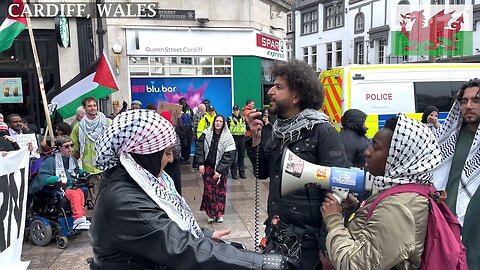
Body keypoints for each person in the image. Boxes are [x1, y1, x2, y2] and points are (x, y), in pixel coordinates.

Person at [90, 109, 295, 270]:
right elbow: (183, 248)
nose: (171, 159)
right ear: (144, 154)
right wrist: (264, 264)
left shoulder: (137, 181)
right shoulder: (124, 200)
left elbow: (164, 225)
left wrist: (202, 233)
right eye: (167, 152)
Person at [247, 59, 349, 269]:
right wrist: (256, 137)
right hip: (277, 234)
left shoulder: (322, 131)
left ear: (296, 96)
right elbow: (262, 172)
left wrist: (327, 246)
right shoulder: (277, 130)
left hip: (308, 245)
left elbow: (340, 188)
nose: (270, 92)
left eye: (278, 87)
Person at [321, 114, 441, 270]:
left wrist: (334, 220)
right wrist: (355, 208)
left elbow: (355, 265)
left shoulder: (399, 207)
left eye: (376, 147)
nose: (367, 152)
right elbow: (379, 228)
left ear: (399, 157)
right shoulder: (403, 191)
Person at [433, 79, 480, 269]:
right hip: (447, 220)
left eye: (476, 101)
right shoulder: (450, 138)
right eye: (464, 101)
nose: (468, 106)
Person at [37, 135, 90, 230]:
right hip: (58, 188)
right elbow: (43, 177)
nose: (70, 148)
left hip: (71, 186)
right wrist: (55, 179)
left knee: (81, 192)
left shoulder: (72, 159)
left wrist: (83, 173)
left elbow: (76, 171)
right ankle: (78, 219)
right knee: (75, 194)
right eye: (66, 146)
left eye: (71, 145)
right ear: (59, 148)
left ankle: (81, 218)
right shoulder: (50, 161)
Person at [195, 115, 236, 223]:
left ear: (223, 124)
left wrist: (219, 170)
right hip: (208, 167)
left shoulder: (228, 137)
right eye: (216, 121)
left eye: (220, 121)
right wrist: (200, 164)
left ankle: (219, 214)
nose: (218, 123)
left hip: (221, 169)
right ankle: (210, 213)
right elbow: (199, 149)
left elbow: (230, 155)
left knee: (220, 191)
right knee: (209, 190)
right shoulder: (206, 134)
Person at [71, 97, 112, 175]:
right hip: (89, 170)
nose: (93, 108)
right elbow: (74, 148)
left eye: (94, 105)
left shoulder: (107, 123)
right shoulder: (79, 127)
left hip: (106, 167)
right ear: (84, 108)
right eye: (89, 106)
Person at [160, 111, 183, 195]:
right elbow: (177, 151)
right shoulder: (171, 130)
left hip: (165, 165)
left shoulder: (164, 130)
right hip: (171, 166)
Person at [228, 105, 247, 179]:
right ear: (233, 111)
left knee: (241, 156)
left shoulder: (243, 118)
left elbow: (246, 127)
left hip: (242, 138)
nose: (236, 111)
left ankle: (242, 172)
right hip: (233, 138)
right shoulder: (229, 119)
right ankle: (234, 173)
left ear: (239, 110)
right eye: (234, 110)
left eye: (237, 110)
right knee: (233, 157)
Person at [178, 97, 194, 164]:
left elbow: (193, 117)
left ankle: (187, 158)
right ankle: (182, 158)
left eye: (184, 101)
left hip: (189, 130)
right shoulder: (178, 109)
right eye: (182, 102)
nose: (183, 103)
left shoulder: (190, 109)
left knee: (188, 145)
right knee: (184, 144)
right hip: (182, 130)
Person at [192, 103, 206, 169]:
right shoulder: (197, 115)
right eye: (204, 109)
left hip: (202, 136)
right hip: (198, 136)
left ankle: (197, 164)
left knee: (200, 150)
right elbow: (195, 126)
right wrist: (195, 136)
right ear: (200, 109)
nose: (205, 110)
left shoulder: (204, 115)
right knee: (198, 150)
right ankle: (195, 164)